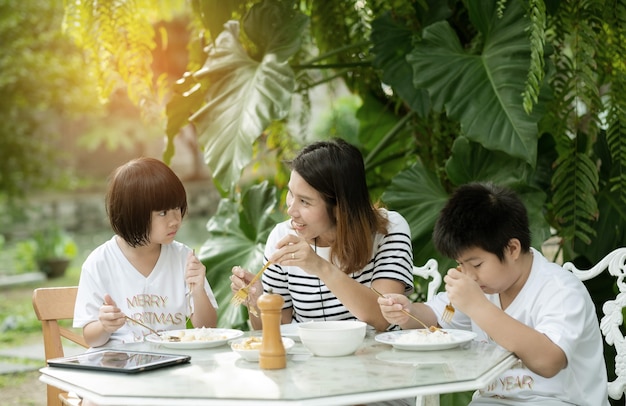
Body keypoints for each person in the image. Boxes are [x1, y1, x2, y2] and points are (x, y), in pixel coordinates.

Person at [377, 182, 609, 405]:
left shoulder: (560, 290)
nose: (469, 275)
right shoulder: (483, 286)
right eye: (461, 264)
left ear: (512, 249)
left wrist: (478, 307)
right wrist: (407, 311)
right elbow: (437, 319)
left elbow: (549, 362)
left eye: (476, 264)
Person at [230, 139, 414, 332]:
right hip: (310, 359)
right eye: (291, 194)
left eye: (305, 202)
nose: (291, 210)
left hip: (376, 357)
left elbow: (383, 319)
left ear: (339, 207)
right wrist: (257, 302)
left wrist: (318, 266)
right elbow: (276, 331)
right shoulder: (282, 238)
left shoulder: (388, 229)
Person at [74, 157, 218, 347]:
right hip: (121, 366)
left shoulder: (183, 258)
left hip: (172, 365)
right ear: (133, 213)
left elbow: (208, 327)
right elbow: (91, 338)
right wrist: (104, 326)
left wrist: (198, 290)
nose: (175, 220)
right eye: (162, 213)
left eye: (176, 208)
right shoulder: (100, 263)